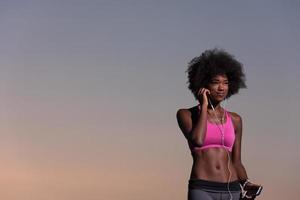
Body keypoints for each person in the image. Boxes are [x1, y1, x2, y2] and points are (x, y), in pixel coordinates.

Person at [176, 48, 262, 200]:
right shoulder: (186, 114)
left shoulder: (235, 120)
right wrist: (203, 105)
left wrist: (246, 183)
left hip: (232, 189)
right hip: (202, 188)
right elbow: (198, 140)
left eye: (225, 83)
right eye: (216, 82)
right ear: (203, 84)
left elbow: (236, 161)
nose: (221, 88)